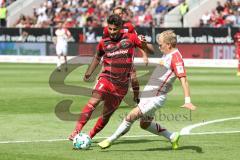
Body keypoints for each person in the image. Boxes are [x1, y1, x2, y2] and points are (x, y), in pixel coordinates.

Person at [98, 30, 197, 150]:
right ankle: (172, 136)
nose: (159, 48)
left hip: (155, 96)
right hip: (150, 95)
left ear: (169, 45)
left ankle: (110, 140)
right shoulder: (168, 53)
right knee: (145, 124)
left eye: (161, 45)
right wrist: (143, 44)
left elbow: (183, 79)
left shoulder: (176, 58)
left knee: (130, 117)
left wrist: (187, 100)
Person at [68, 14, 153, 140]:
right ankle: (76, 131)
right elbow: (97, 56)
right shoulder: (104, 42)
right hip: (106, 78)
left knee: (106, 115)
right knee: (93, 102)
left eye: (115, 29)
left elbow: (151, 50)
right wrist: (89, 72)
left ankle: (89, 136)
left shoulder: (131, 38)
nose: (112, 32)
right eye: (110, 29)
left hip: (122, 85)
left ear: (120, 28)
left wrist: (145, 45)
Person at [103, 6, 149, 104]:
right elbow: (104, 43)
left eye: (120, 13)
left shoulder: (129, 26)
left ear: (123, 14)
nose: (119, 15)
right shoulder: (108, 28)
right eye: (116, 14)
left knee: (134, 79)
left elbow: (138, 41)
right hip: (113, 58)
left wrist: (144, 55)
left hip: (126, 58)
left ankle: (136, 98)